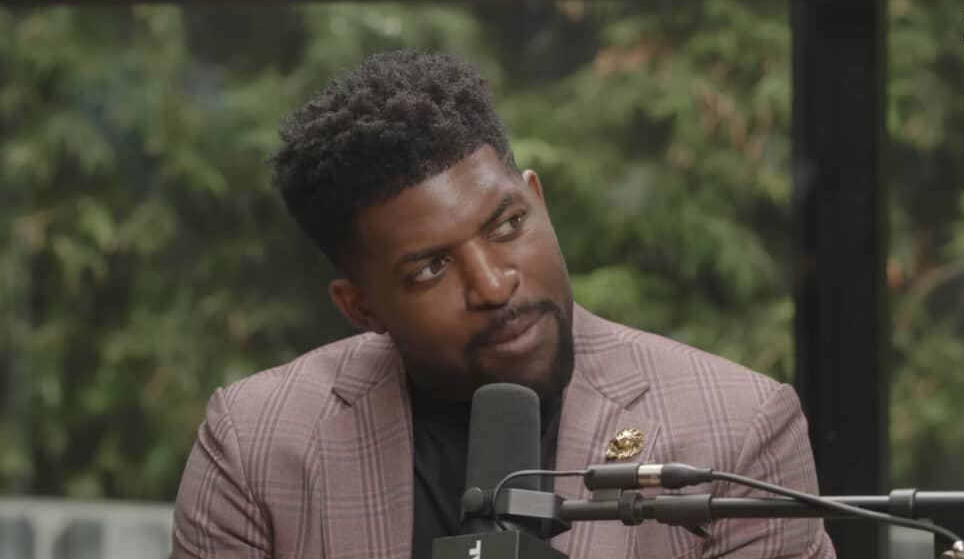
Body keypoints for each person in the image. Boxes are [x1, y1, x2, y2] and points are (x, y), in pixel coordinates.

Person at [171, 50, 835, 559]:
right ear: (362, 307)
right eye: (430, 267)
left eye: (508, 225)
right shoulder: (256, 445)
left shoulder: (736, 429)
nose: (492, 285)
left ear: (538, 199)